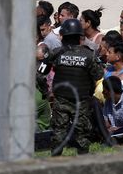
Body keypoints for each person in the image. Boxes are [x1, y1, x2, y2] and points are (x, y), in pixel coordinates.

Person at [42, 18, 104, 155]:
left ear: (63, 36)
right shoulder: (89, 55)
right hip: (81, 99)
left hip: (61, 99)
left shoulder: (56, 53)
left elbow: (41, 72)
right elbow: (98, 74)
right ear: (80, 36)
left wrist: (45, 91)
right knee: (82, 133)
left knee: (59, 131)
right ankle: (83, 160)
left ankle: (56, 159)